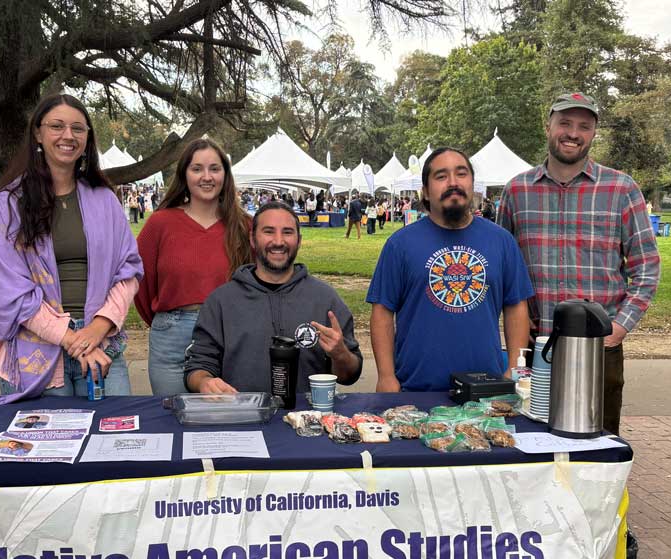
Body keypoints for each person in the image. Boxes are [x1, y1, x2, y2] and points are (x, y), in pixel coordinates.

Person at [497, 91, 661, 437]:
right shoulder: (517, 192)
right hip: (534, 346)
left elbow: (646, 268)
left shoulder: (621, 189)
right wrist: (515, 324)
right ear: (548, 126)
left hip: (598, 346)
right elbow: (502, 270)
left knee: (597, 446)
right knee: (527, 439)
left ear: (593, 134)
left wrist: (618, 329)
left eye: (584, 126)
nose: (573, 133)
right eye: (565, 123)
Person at [0, 93, 144, 403]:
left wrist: (97, 329)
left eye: (78, 128)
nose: (68, 135)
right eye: (57, 126)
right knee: (47, 450)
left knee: (112, 444)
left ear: (87, 139)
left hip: (100, 344)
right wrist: (71, 339)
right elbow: (8, 290)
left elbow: (128, 270)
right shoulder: (10, 204)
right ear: (38, 133)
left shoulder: (105, 200)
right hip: (36, 350)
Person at [367, 148, 533, 392]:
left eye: (461, 174)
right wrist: (386, 376)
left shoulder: (502, 241)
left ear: (472, 183)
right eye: (441, 176)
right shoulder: (400, 244)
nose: (453, 182)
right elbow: (382, 312)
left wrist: (513, 370)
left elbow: (516, 306)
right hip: (416, 389)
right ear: (425, 191)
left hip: (487, 390)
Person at [185, 201, 362, 394]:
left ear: (299, 240)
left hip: (307, 418)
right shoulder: (221, 301)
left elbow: (349, 375)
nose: (278, 241)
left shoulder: (325, 299)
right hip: (243, 417)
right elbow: (197, 367)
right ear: (252, 239)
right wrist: (204, 382)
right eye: (269, 231)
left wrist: (340, 354)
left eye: (287, 232)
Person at [134, 138, 254, 396]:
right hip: (171, 335)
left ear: (225, 175)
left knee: (226, 422)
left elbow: (255, 285)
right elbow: (140, 283)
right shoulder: (160, 223)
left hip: (228, 334)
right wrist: (166, 321)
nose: (206, 176)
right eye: (197, 169)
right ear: (184, 175)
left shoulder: (245, 226)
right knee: (171, 420)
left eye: (214, 168)